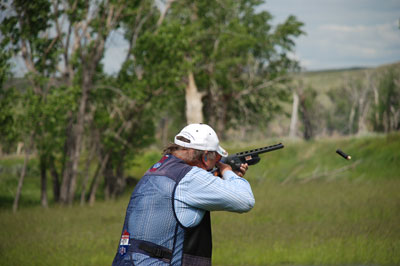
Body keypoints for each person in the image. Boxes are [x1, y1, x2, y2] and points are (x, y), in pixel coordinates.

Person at [112, 123, 255, 266]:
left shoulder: (156, 170)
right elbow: (245, 200)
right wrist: (228, 172)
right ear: (205, 157)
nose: (217, 162)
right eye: (216, 158)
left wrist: (220, 178)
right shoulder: (189, 177)